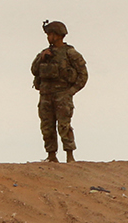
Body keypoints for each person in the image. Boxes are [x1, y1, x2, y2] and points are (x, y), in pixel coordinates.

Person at [30, 20, 88, 161]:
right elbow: (34, 70)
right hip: (45, 94)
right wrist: (42, 58)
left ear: (57, 35)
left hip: (62, 94)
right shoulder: (45, 53)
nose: (48, 37)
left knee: (64, 125)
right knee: (46, 125)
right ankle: (51, 156)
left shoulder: (70, 54)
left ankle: (69, 155)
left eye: (50, 34)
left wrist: (72, 91)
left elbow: (83, 74)